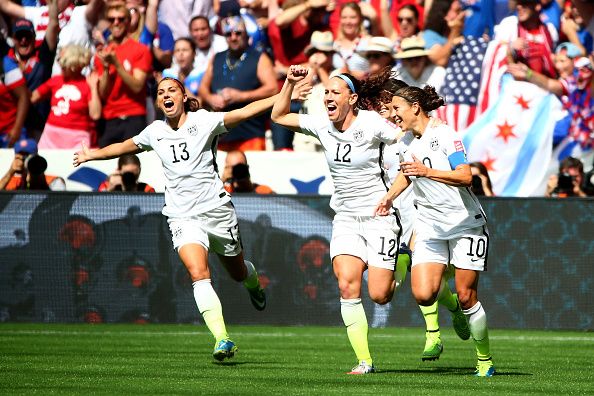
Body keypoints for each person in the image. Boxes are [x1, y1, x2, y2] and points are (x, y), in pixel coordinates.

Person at [73, 77, 273, 361]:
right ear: (158, 102)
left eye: (172, 90)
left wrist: (283, 93)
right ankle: (222, 339)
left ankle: (253, 284)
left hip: (216, 210)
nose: (166, 95)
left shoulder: (203, 121)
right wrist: (91, 155)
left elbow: (243, 112)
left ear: (182, 96)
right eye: (161, 92)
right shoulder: (155, 132)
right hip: (181, 215)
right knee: (198, 274)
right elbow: (123, 146)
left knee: (238, 272)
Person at [272, 65, 403, 374]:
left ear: (352, 98)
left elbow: (402, 136)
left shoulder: (372, 124)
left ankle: (403, 264)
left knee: (380, 295)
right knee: (347, 286)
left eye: (335, 92)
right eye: (325, 92)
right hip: (345, 218)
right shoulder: (321, 124)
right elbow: (279, 116)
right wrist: (289, 84)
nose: (328, 97)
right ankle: (364, 361)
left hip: (378, 217)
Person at [375, 85, 495, 377]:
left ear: (415, 107)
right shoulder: (408, 141)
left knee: (467, 295)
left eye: (397, 109)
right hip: (429, 225)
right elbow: (407, 173)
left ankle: (484, 359)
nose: (393, 115)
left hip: (465, 223)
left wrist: (427, 172)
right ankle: (453, 310)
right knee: (424, 293)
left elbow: (466, 175)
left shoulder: (445, 135)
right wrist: (389, 197)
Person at [369, 70, 470, 360]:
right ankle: (452, 307)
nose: (385, 109)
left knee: (419, 269)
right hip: (392, 217)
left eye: (390, 104)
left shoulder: (416, 133)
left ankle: (433, 335)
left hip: (419, 211)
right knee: (386, 291)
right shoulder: (381, 131)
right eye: (383, 104)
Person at [198, 16, 277, 151]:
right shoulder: (217, 57)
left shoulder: (258, 57)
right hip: (221, 134)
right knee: (224, 172)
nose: (233, 37)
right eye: (229, 34)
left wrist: (240, 96)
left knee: (250, 171)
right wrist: (211, 98)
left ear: (246, 34)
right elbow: (202, 88)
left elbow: (273, 89)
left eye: (238, 33)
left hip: (250, 133)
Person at [94, 3, 153, 147]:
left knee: (133, 165)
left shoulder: (141, 50)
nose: (116, 23)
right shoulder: (103, 54)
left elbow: (137, 86)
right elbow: (103, 93)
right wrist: (107, 68)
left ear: (128, 21)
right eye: (111, 19)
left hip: (134, 116)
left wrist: (117, 64)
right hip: (110, 118)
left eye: (121, 19)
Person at [33, 44, 101, 149]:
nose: (60, 66)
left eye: (64, 65)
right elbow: (32, 98)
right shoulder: (56, 80)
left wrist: (94, 88)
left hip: (77, 137)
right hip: (51, 135)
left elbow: (95, 114)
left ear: (74, 65)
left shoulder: (87, 83)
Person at [0, 138, 65, 191]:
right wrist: (10, 172)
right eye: (21, 158)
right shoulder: (12, 181)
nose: (25, 161)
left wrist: (37, 175)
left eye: (27, 156)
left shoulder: (53, 181)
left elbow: (61, 202)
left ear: (37, 157)